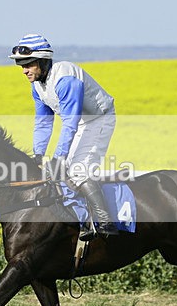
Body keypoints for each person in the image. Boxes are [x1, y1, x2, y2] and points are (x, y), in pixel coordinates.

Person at [8, 33, 118, 240]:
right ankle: (82, 220)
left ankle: (105, 221)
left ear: (42, 61)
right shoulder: (37, 86)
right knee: (56, 171)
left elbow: (70, 122)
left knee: (76, 170)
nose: (24, 71)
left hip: (98, 119)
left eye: (28, 65)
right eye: (21, 66)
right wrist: (38, 154)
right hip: (81, 122)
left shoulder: (65, 79)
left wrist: (59, 156)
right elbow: (43, 121)